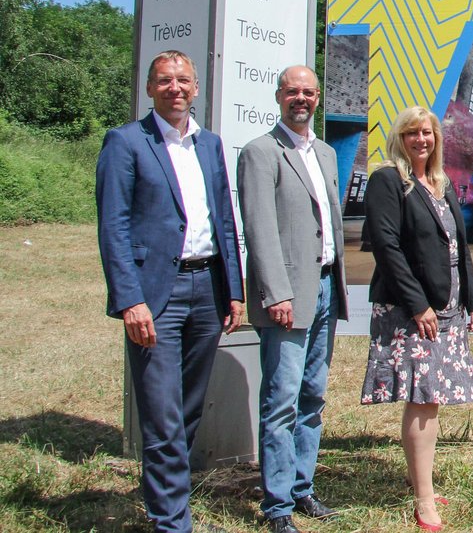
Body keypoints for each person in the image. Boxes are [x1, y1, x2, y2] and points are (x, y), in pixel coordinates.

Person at [96, 50, 245, 532]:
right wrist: (129, 299)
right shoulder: (125, 143)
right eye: (164, 80)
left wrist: (234, 291)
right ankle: (172, 523)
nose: (175, 88)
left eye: (183, 80)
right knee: (160, 413)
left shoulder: (210, 144)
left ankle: (166, 499)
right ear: (149, 88)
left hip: (207, 288)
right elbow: (113, 227)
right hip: (155, 294)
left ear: (196, 88)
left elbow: (224, 220)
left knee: (185, 411)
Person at [361, 106, 473, 532]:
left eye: (427, 132)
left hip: (447, 307)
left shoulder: (440, 181)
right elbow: (386, 246)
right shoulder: (388, 180)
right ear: (400, 138)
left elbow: (460, 246)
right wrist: (418, 305)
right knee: (424, 396)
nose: (421, 140)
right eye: (412, 133)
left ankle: (423, 482)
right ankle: (424, 499)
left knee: (431, 399)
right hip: (410, 309)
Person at [237, 66, 349, 533]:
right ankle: (277, 506)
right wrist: (275, 292)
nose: (300, 99)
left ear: (318, 98)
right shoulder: (261, 152)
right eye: (292, 92)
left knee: (313, 394)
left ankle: (303, 489)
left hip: (324, 286)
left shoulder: (323, 153)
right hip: (287, 294)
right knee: (281, 400)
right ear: (279, 96)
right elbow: (259, 229)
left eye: (308, 92)